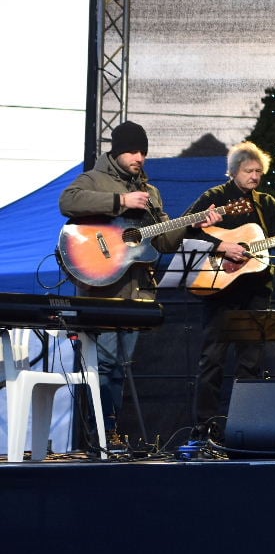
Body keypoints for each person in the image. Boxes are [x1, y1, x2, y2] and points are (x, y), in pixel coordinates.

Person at [58, 120, 220, 436]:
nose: (139, 157)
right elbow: (68, 201)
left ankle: (112, 433)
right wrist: (120, 202)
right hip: (102, 289)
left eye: (143, 152)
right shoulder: (94, 179)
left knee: (121, 368)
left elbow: (162, 241)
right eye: (132, 151)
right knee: (102, 365)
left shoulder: (150, 192)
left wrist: (196, 225)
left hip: (138, 294)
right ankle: (97, 434)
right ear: (117, 151)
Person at [184, 141, 275, 435]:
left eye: (259, 172)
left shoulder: (267, 204)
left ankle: (245, 427)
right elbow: (185, 233)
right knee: (212, 360)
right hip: (219, 289)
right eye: (249, 170)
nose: (255, 177)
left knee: (251, 361)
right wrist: (222, 246)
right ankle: (204, 430)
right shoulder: (215, 198)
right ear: (234, 171)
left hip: (257, 290)